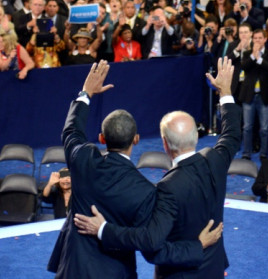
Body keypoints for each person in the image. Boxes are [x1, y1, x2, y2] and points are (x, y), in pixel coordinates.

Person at [47, 60, 218, 278]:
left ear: (101, 138)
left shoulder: (83, 159)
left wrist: (85, 94)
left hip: (73, 270)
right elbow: (153, 247)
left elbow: (71, 130)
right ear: (136, 140)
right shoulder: (145, 192)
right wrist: (197, 246)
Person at [239, 29, 268, 159]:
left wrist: (259, 59)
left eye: (260, 38)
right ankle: (246, 153)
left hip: (264, 96)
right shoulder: (247, 54)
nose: (257, 41)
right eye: (255, 38)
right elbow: (244, 66)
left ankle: (264, 153)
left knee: (265, 128)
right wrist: (253, 56)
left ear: (265, 39)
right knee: (247, 127)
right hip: (249, 95)